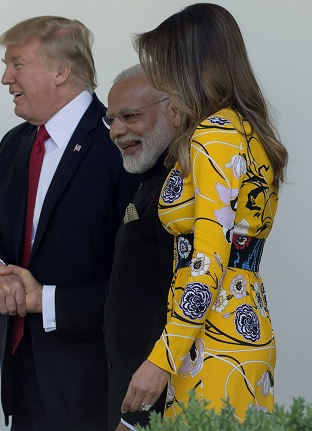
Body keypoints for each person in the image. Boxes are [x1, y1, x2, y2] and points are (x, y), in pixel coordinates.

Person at [0, 16, 137, 431]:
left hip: (91, 388)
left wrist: (48, 301)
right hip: (21, 374)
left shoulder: (120, 144)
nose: (6, 78)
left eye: (17, 64)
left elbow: (137, 281)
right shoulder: (17, 143)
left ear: (62, 71)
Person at [121, 3, 289, 423]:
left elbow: (209, 255)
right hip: (237, 324)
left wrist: (162, 358)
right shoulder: (241, 128)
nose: (159, 79)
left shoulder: (215, 133)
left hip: (211, 340)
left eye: (163, 66)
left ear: (188, 67)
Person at [102, 64, 178, 431]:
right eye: (111, 119)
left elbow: (178, 298)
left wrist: (135, 419)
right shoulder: (148, 177)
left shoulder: (178, 188)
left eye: (130, 116)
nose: (116, 131)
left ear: (174, 110)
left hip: (156, 405)